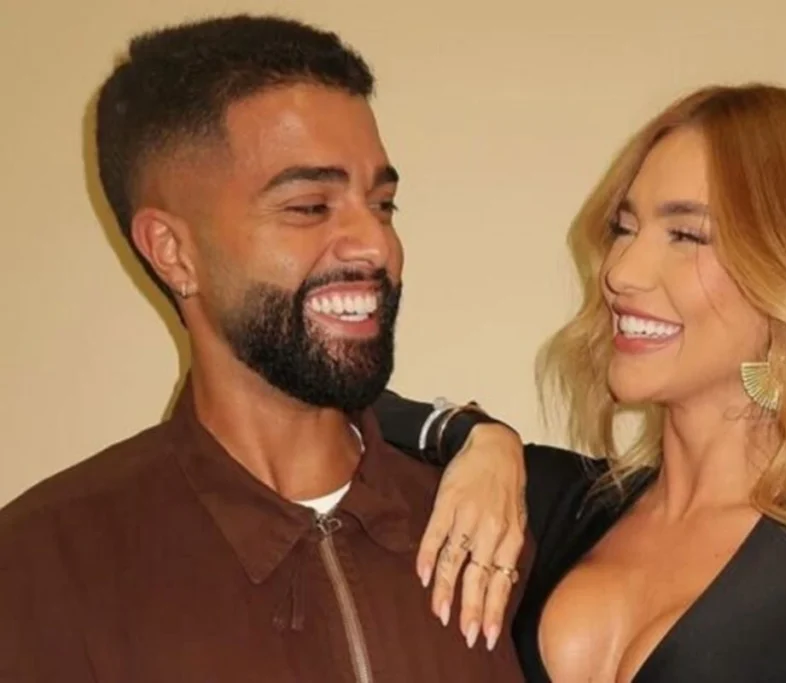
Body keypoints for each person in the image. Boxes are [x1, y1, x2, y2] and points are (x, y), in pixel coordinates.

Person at [374, 84, 786, 681]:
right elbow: (339, 407)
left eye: (686, 235)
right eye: (625, 228)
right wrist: (478, 436)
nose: (621, 272)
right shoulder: (555, 504)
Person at [0, 14, 529, 682]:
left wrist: (484, 437)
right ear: (174, 252)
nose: (377, 245)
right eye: (309, 207)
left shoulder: (494, 531)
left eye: (383, 204)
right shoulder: (40, 572)